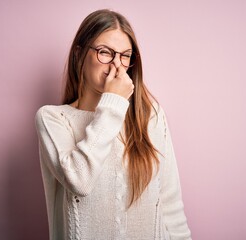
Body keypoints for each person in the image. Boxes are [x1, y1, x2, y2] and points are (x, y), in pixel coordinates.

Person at [35, 9, 191, 240]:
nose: (116, 66)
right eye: (105, 52)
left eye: (125, 56)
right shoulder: (53, 119)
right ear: (79, 55)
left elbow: (171, 206)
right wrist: (114, 102)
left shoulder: (150, 115)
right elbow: (80, 181)